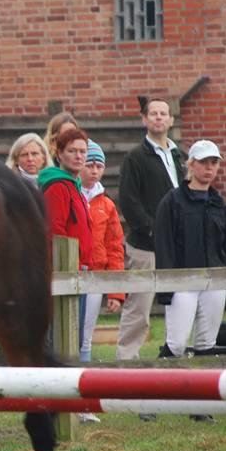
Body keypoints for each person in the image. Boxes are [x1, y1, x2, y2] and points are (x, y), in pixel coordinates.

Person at [154, 140, 226, 423]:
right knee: (176, 343)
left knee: (206, 343)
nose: (209, 168)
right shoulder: (172, 201)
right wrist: (167, 287)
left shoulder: (218, 203)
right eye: (204, 162)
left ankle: (201, 404)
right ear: (191, 164)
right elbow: (164, 244)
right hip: (182, 280)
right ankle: (148, 395)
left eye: (214, 163)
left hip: (215, 281)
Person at [117, 98, 187, 361]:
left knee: (179, 303)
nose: (159, 117)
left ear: (171, 120)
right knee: (139, 305)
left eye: (163, 113)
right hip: (145, 245)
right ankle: (127, 359)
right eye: (153, 113)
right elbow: (128, 200)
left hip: (177, 245)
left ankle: (174, 354)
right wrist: (152, 230)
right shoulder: (135, 157)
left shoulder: (180, 156)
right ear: (144, 120)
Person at [38, 128, 93, 353]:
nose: (79, 156)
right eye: (72, 151)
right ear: (59, 153)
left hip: (80, 271)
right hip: (64, 271)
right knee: (62, 340)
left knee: (75, 340)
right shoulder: (57, 187)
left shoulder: (74, 186)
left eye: (82, 151)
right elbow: (54, 231)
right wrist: (63, 268)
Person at [79, 140, 124, 368]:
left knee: (86, 334)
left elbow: (115, 247)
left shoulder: (107, 205)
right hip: (71, 271)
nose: (94, 170)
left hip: (96, 276)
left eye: (99, 166)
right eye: (90, 165)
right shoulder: (69, 194)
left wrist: (116, 292)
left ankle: (83, 371)